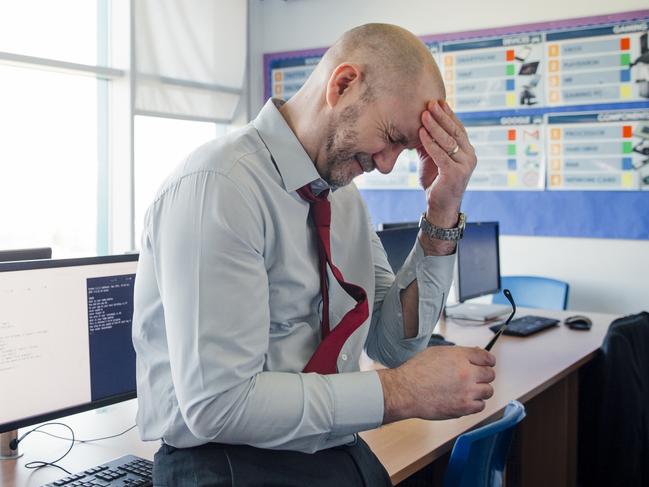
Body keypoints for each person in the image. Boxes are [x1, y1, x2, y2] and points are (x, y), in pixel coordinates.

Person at [132, 23, 496, 486]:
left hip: (329, 448)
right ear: (342, 85)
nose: (386, 166)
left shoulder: (342, 196)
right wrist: (400, 393)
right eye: (390, 136)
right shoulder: (219, 187)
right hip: (228, 463)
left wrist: (443, 211)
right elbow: (217, 405)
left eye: (404, 150)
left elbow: (393, 344)